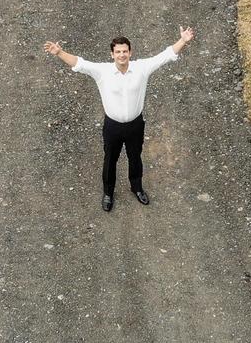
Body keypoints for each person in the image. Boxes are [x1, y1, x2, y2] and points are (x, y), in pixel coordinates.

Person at [44, 28, 194, 212]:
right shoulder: (102, 71)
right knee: (110, 159)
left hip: (135, 125)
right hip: (112, 126)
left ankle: (137, 188)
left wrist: (183, 41)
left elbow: (165, 55)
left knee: (135, 157)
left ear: (130, 53)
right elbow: (80, 63)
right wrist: (59, 53)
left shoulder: (142, 68)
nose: (122, 55)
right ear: (112, 54)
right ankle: (108, 193)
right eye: (118, 52)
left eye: (125, 51)